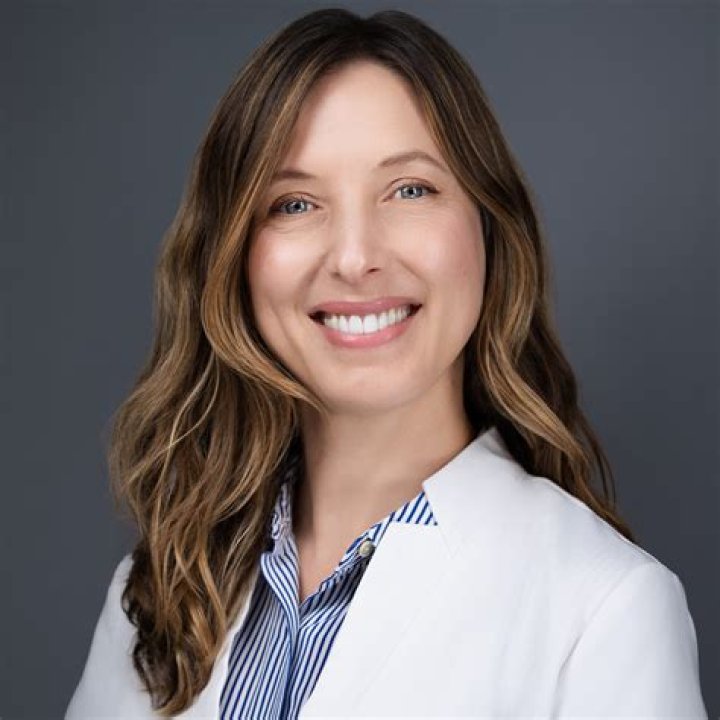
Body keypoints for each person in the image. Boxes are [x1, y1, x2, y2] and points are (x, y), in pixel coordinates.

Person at [65, 7, 708, 719]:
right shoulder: (157, 593)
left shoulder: (606, 610)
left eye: (410, 190)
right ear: (235, 258)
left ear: (489, 228)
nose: (354, 257)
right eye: (295, 203)